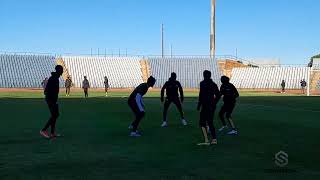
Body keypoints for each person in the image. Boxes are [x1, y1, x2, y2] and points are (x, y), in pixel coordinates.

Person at [197, 70, 221, 146]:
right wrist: (214, 102)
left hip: (205, 105)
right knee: (210, 122)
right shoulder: (214, 84)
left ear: (204, 75)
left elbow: (201, 95)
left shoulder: (202, 83)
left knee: (202, 123)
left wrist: (199, 105)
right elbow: (218, 95)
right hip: (212, 106)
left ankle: (207, 140)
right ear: (210, 76)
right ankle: (214, 139)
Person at [40, 65, 63, 139]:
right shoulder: (53, 78)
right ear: (59, 71)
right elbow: (48, 91)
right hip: (51, 99)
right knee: (54, 115)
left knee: (55, 115)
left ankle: (52, 133)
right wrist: (53, 99)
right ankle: (43, 130)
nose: (62, 71)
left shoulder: (55, 78)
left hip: (53, 99)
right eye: (61, 70)